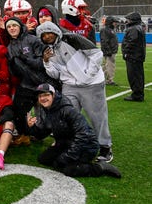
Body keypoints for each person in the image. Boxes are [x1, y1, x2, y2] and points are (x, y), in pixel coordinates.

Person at [37, 20, 114, 162]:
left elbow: (96, 54)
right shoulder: (48, 50)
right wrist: (46, 62)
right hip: (69, 85)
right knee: (66, 116)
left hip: (92, 84)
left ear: (56, 31)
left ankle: (105, 147)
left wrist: (87, 75)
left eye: (49, 33)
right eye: (43, 35)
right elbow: (55, 74)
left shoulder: (72, 38)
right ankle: (68, 143)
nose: (47, 37)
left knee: (97, 117)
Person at [27, 84, 121, 178]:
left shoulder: (67, 110)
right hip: (67, 143)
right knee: (43, 159)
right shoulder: (47, 109)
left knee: (68, 169)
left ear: (54, 95)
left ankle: (99, 167)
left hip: (86, 146)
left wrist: (68, 156)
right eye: (40, 96)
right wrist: (32, 127)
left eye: (46, 95)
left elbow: (83, 135)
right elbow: (42, 133)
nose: (43, 98)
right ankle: (66, 158)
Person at [5, 17, 57, 145]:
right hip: (26, 83)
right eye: (9, 27)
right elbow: (16, 70)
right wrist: (13, 66)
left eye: (14, 25)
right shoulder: (10, 47)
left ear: (20, 27)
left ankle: (50, 135)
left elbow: (43, 62)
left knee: (49, 112)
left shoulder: (33, 40)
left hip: (42, 82)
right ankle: (24, 134)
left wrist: (25, 60)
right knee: (17, 109)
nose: (12, 28)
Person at [122, 12, 146, 102]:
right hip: (137, 56)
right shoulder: (138, 27)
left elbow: (131, 42)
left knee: (134, 76)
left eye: (129, 19)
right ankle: (138, 94)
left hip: (133, 57)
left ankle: (137, 95)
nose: (127, 21)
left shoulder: (133, 29)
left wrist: (126, 52)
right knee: (138, 76)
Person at [99, 16, 119, 86]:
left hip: (110, 51)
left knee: (106, 66)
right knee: (110, 66)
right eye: (114, 22)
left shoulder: (109, 29)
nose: (116, 24)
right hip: (110, 51)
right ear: (110, 22)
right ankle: (109, 80)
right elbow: (104, 41)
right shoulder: (106, 30)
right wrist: (108, 51)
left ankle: (104, 79)